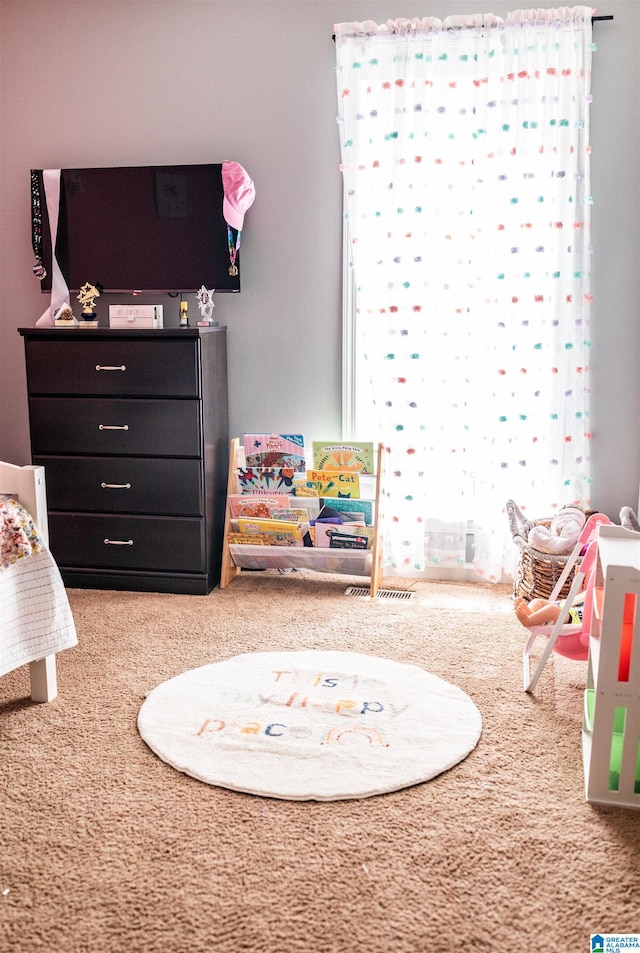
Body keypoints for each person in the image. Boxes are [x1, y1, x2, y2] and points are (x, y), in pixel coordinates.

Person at [514, 592, 584, 628]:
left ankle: (528, 621)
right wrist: (578, 577)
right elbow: (579, 597)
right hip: (565, 608)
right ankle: (532, 615)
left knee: (551, 609)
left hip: (573, 618)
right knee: (537, 602)